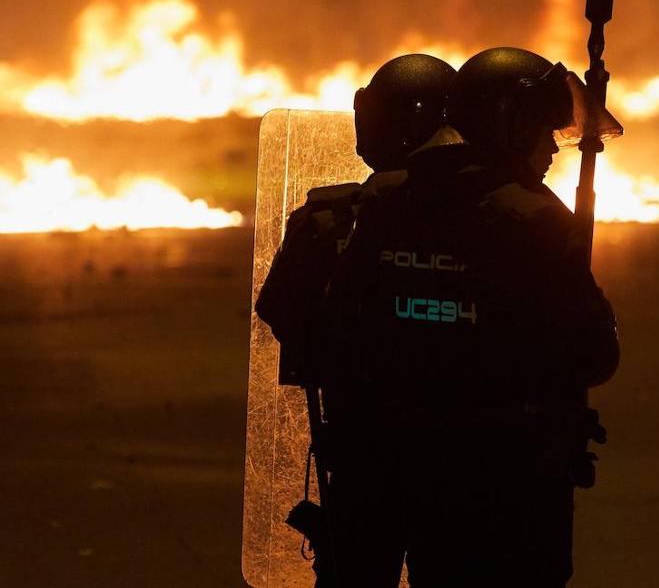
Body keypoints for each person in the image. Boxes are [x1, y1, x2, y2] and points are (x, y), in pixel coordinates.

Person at [322, 46, 620, 587]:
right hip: (494, 487)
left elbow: (336, 327)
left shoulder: (385, 202)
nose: (553, 149)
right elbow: (593, 353)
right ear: (509, 125)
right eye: (543, 132)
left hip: (379, 476)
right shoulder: (533, 219)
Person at [254, 52, 457, 585]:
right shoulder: (482, 220)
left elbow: (279, 308)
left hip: (359, 454)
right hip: (457, 462)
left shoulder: (330, 219)